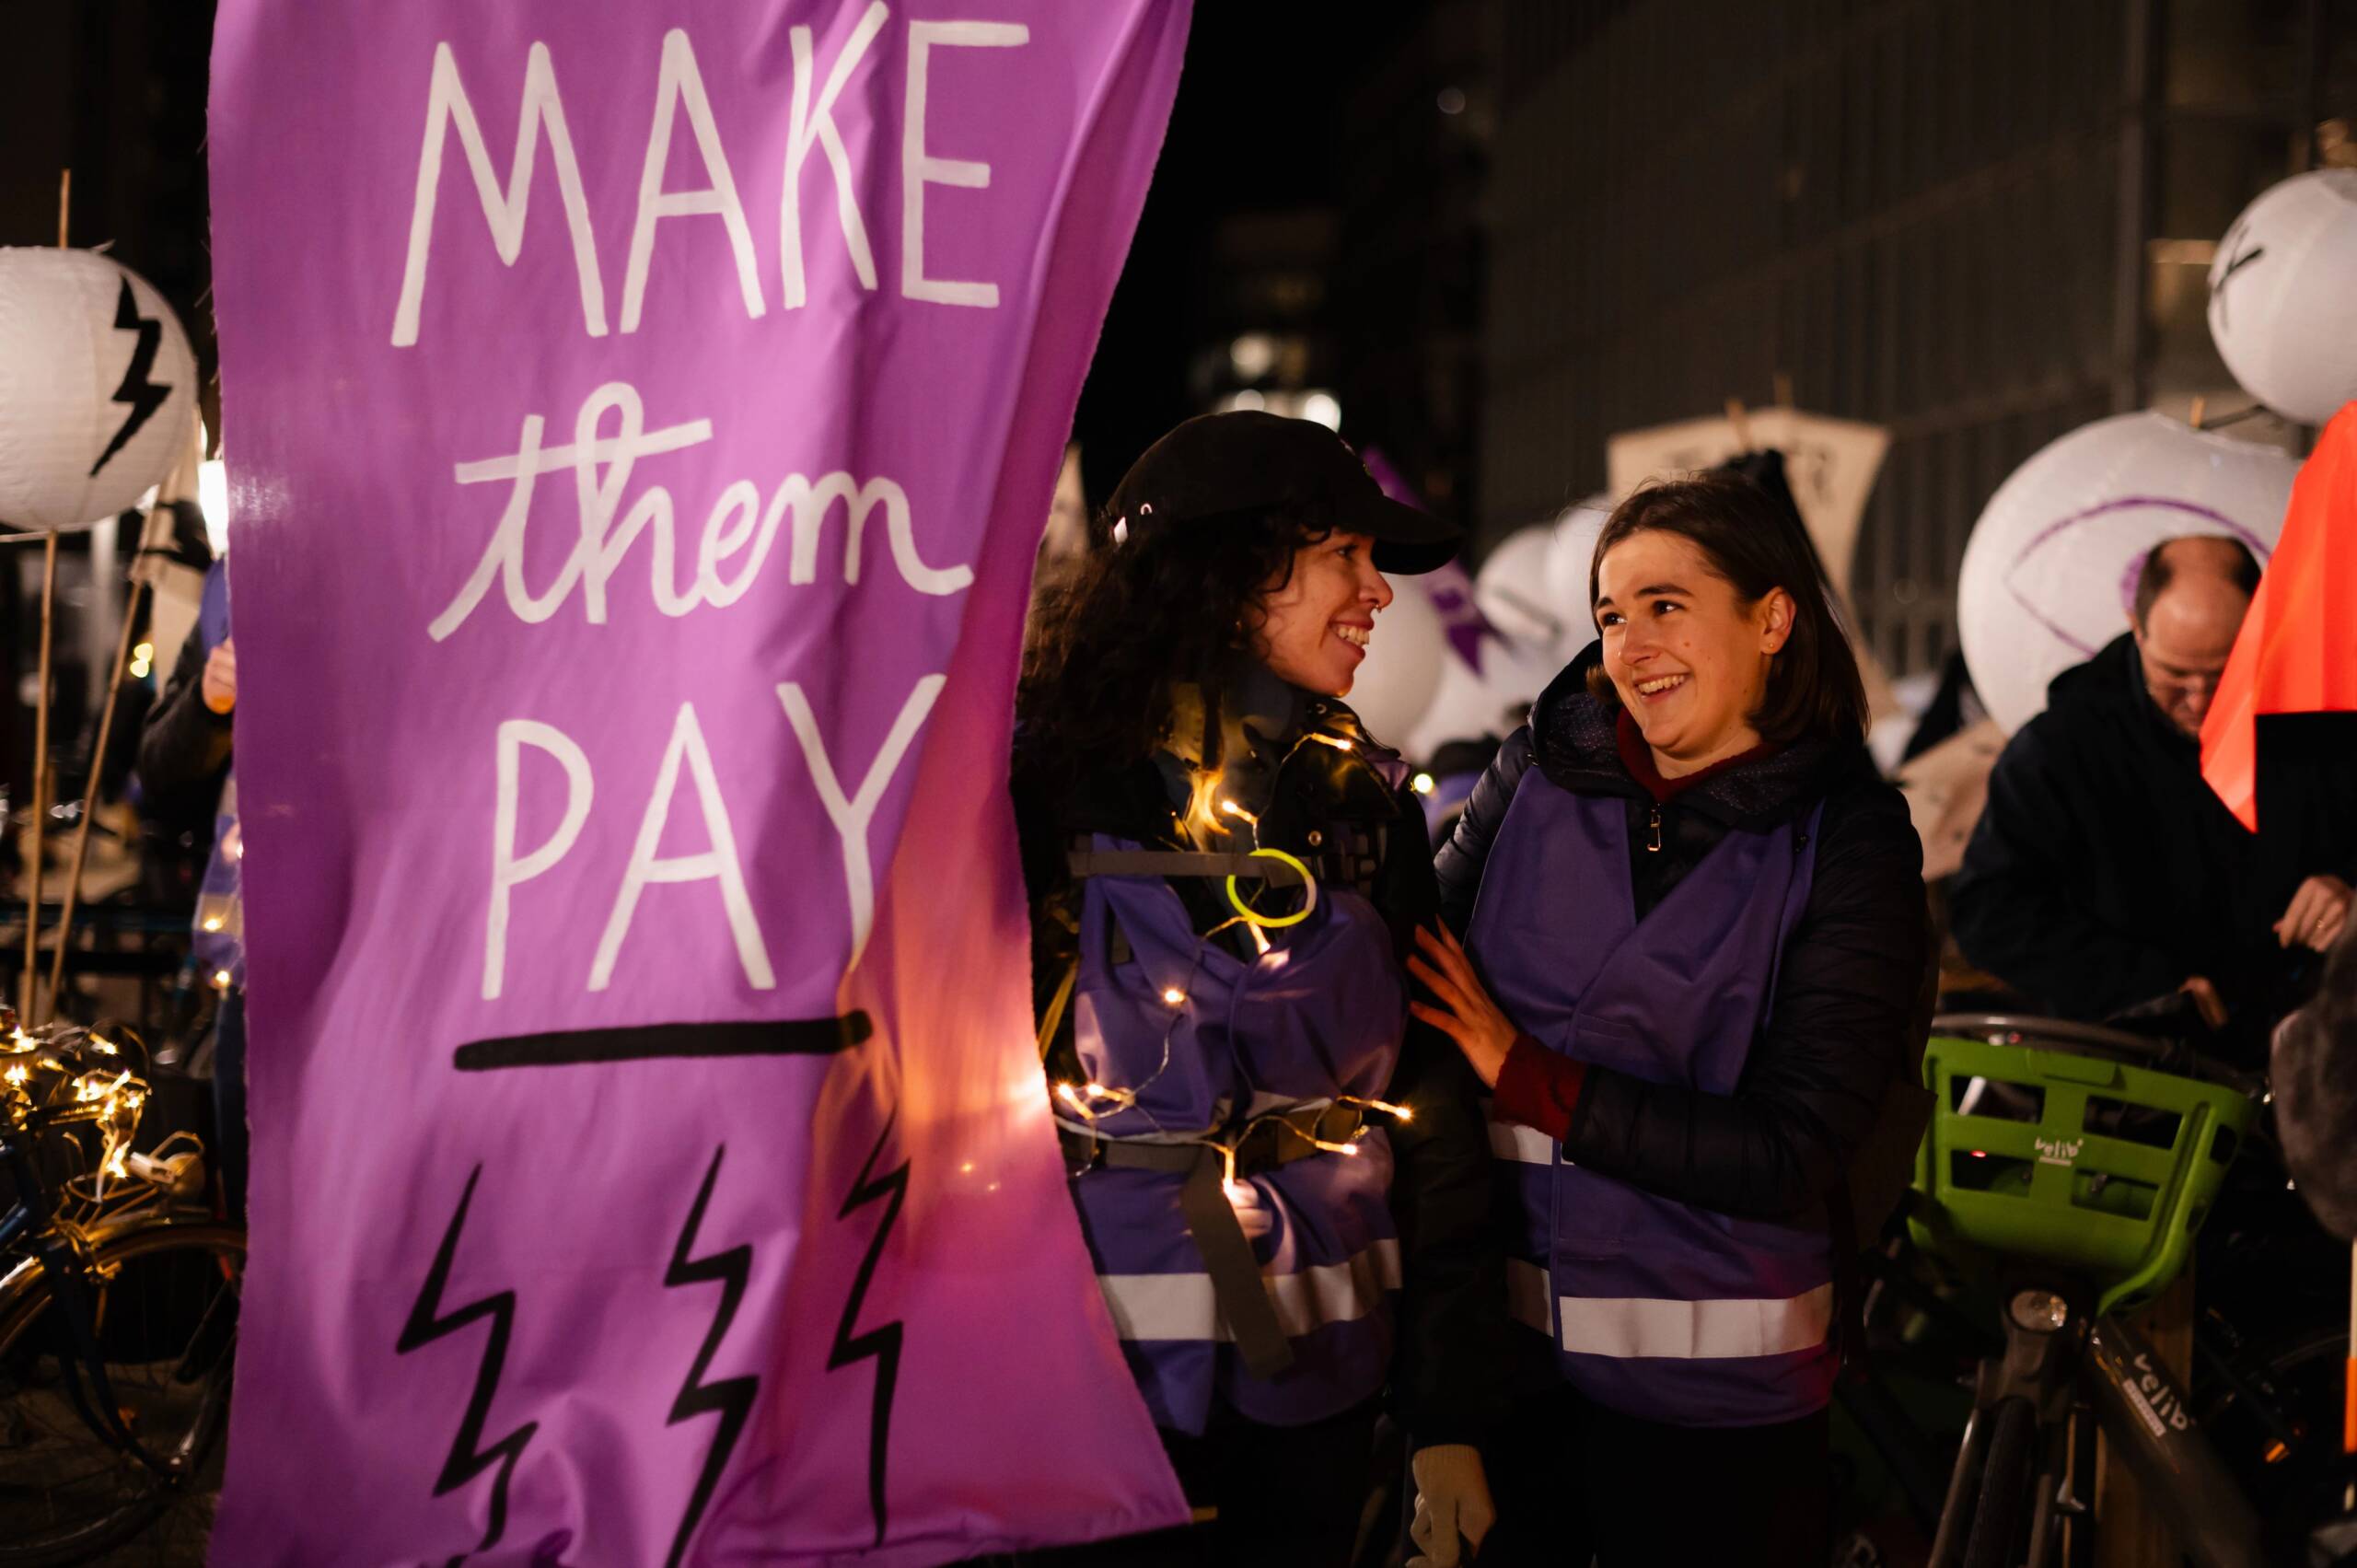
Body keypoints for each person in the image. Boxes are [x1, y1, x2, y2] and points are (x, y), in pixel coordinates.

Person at [1010, 412, 1504, 1567]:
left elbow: (1431, 1109)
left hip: (1320, 1402)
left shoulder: (1359, 808)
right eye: (1344, 551)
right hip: (1078, 1388)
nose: (1379, 592)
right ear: (1226, 571)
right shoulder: (1034, 788)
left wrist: (1447, 1419)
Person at [1413, 471, 1929, 1567]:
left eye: (1665, 605)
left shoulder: (1851, 841)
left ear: (1773, 617)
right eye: (1609, 614)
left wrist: (1529, 1075)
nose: (1630, 643)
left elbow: (1793, 1147)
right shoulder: (1528, 778)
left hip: (1724, 1431)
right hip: (1513, 1397)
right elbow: (1405, 994)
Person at [1950, 537, 2355, 1047]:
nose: (2200, 700)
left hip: (2304, 1049)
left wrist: (2347, 887)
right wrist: (2140, 984)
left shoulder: (2322, 724)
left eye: (2225, 672)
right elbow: (1989, 911)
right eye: (2175, 674)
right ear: (2136, 628)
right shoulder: (2063, 746)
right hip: (2127, 1059)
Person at [135, 559, 246, 1217]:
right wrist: (209, 703)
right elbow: (158, 770)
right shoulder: (230, 585)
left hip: (392, 939)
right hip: (252, 945)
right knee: (249, 1180)